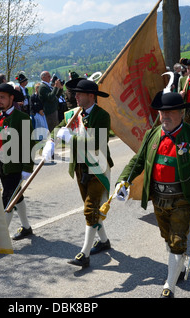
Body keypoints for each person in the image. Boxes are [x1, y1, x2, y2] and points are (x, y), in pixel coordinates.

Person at [116, 91, 190, 298]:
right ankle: (177, 263)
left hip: (183, 198)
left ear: (182, 112)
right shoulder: (152, 134)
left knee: (177, 240)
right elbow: (138, 161)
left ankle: (169, 285)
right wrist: (123, 180)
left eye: (170, 113)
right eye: (162, 113)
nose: (165, 117)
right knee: (167, 237)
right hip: (158, 198)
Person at [42, 78, 114, 268]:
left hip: (97, 168)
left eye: (79, 94)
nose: (75, 97)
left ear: (91, 96)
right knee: (91, 209)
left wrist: (71, 139)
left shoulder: (102, 116)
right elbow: (59, 128)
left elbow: (96, 142)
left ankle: (85, 254)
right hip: (80, 167)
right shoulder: (75, 114)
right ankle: (104, 241)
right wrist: (51, 141)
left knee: (90, 209)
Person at [0, 83, 35, 240]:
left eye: (2, 97)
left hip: (15, 165)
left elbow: (29, 144)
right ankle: (27, 228)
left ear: (11, 98)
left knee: (8, 198)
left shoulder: (22, 118)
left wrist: (27, 167)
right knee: (17, 196)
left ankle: (0, 236)